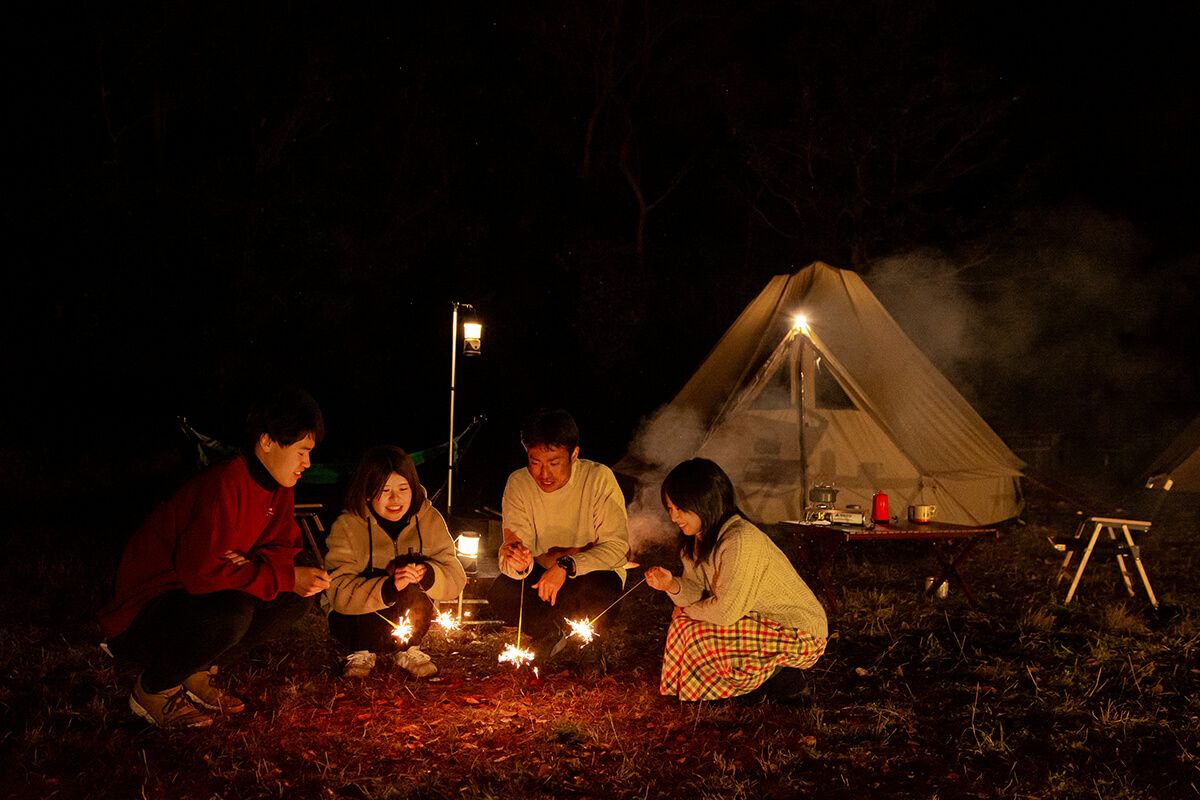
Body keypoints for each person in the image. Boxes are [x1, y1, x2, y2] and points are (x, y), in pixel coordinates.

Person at [99, 387, 331, 728]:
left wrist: (263, 569)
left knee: (292, 599)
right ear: (267, 441)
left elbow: (283, 548)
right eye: (302, 452)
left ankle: (195, 670)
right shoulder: (224, 482)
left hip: (193, 601)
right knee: (234, 611)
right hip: (143, 615)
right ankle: (154, 689)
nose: (307, 464)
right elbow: (201, 574)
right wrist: (274, 573)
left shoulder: (279, 488)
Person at [645, 458, 827, 703]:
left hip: (797, 631)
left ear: (705, 502)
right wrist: (671, 585)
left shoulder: (740, 540)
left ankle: (781, 678)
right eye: (670, 508)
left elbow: (726, 611)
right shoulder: (699, 538)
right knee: (684, 627)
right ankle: (751, 682)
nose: (674, 516)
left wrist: (687, 610)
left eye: (681, 508)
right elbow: (698, 592)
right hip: (755, 619)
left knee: (695, 631)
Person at [487, 409, 630, 668]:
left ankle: (590, 644)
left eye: (554, 463)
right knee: (502, 592)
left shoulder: (598, 478)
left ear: (574, 455)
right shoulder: (518, 483)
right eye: (535, 462)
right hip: (543, 578)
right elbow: (514, 545)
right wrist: (517, 561)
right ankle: (549, 632)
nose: (544, 474)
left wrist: (566, 565)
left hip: (588, 575)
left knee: (600, 587)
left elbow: (617, 547)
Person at [322, 445, 466, 678]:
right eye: (384, 490)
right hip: (355, 623)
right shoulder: (348, 525)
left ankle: (409, 649)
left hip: (406, 619)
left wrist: (428, 574)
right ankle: (360, 651)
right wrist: (387, 586)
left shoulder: (428, 519)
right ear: (368, 492)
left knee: (414, 579)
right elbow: (336, 589)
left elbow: (455, 576)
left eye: (403, 488)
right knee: (375, 581)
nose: (395, 499)